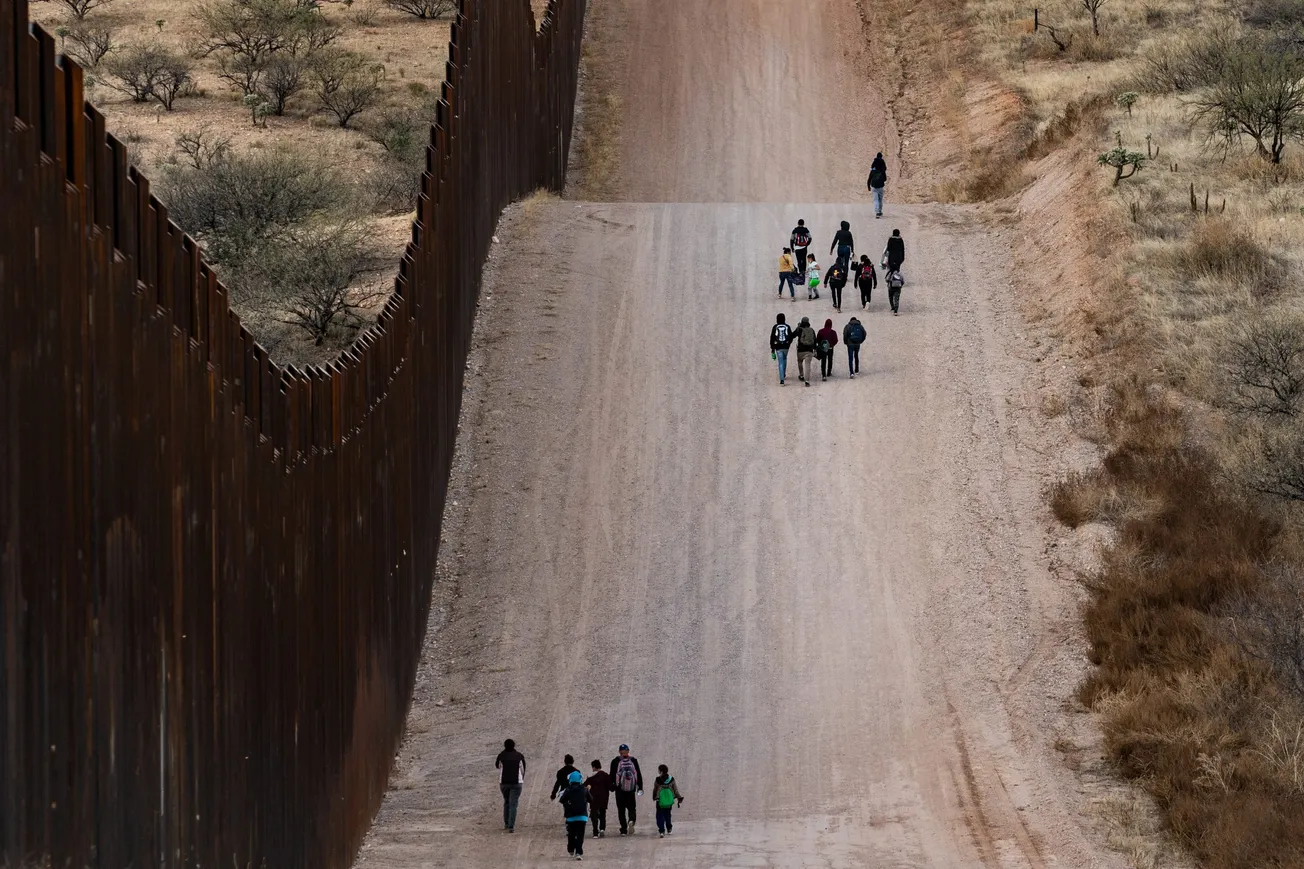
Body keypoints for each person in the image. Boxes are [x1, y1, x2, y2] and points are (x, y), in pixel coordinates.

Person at [609, 744, 644, 835]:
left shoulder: (615, 761)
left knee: (621, 810)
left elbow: (612, 775)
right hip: (630, 790)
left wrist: (612, 787)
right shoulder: (633, 760)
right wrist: (640, 787)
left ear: (619, 752)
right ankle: (631, 820)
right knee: (632, 808)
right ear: (628, 751)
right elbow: (638, 774)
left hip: (619, 789)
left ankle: (623, 829)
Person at [496, 739, 527, 833]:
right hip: (516, 783)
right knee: (513, 804)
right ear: (514, 745)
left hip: (504, 783)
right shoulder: (519, 756)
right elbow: (522, 769)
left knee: (506, 802)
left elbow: (498, 766)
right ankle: (511, 826)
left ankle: (506, 823)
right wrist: (521, 779)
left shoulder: (501, 755)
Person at [559, 770, 590, 860]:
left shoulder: (568, 790)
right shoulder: (584, 789)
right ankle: (579, 852)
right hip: (582, 817)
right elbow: (591, 799)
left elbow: (561, 800)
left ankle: (571, 849)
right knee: (580, 835)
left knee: (571, 834)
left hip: (571, 817)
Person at [651, 764, 685, 838]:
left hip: (660, 801)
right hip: (669, 801)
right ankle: (669, 828)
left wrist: (654, 797)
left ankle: (662, 831)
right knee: (668, 814)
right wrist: (679, 797)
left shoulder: (658, 779)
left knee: (660, 815)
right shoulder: (671, 779)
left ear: (661, 771)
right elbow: (675, 789)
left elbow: (655, 789)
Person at [585, 759, 612, 839]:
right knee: (602, 814)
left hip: (593, 799)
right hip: (603, 798)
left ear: (593, 767)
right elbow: (610, 787)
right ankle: (602, 828)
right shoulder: (605, 775)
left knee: (594, 816)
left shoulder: (590, 776)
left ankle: (595, 833)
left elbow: (584, 786)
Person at [770, 312, 794, 386]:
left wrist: (772, 347)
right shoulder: (787, 326)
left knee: (780, 362)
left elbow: (772, 338)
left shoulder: (775, 327)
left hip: (778, 347)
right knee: (784, 359)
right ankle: (783, 374)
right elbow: (791, 336)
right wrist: (788, 343)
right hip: (786, 346)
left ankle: (782, 380)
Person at [794, 316, 817, 387]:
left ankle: (801, 375)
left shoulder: (799, 329)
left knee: (800, 362)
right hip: (809, 350)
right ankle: (807, 381)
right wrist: (815, 349)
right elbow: (815, 340)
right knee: (808, 365)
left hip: (800, 350)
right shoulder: (811, 330)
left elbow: (792, 335)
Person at [867, 153, 888, 218]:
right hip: (881, 187)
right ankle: (880, 211)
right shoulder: (882, 171)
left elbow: (869, 178)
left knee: (875, 200)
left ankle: (877, 212)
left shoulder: (873, 170)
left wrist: (868, 186)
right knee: (880, 200)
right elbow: (885, 179)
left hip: (874, 186)